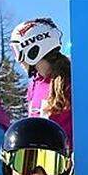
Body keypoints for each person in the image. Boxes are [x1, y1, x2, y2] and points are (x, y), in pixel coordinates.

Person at [10, 18, 72, 148]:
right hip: (43, 159)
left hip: (69, 159)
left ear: (33, 49)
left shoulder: (69, 79)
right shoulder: (34, 84)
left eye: (16, 51)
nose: (18, 60)